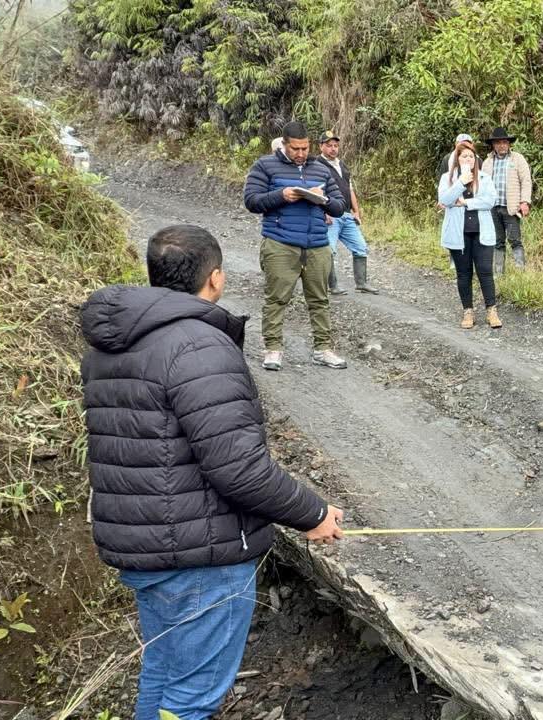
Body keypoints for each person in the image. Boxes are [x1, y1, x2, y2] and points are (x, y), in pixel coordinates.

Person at [80, 224, 346, 720]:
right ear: (216, 278)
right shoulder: (201, 345)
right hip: (199, 557)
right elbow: (240, 468)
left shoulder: (110, 345)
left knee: (162, 670)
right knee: (192, 697)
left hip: (143, 549)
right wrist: (313, 514)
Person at [244, 121, 349, 371]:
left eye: (304, 148)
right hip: (280, 243)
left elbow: (339, 205)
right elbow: (251, 201)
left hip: (317, 245)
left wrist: (321, 199)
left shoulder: (320, 169)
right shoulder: (265, 166)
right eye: (295, 149)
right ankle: (273, 349)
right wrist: (281, 195)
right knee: (276, 299)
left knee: (320, 299)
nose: (301, 154)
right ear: (284, 144)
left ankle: (322, 349)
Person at [438, 144, 503, 329]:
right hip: (459, 234)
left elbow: (490, 200)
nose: (468, 160)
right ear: (457, 159)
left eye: (471, 157)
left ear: (476, 160)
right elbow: (444, 200)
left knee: (485, 271)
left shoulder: (484, 177)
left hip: (482, 232)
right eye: (464, 156)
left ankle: (491, 310)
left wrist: (466, 202)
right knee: (464, 273)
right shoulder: (447, 178)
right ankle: (468, 311)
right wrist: (460, 183)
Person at [317, 129, 378, 296]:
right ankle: (332, 285)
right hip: (330, 214)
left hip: (346, 214)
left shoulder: (342, 165)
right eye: (329, 146)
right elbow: (316, 192)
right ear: (321, 146)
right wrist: (323, 212)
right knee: (329, 250)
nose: (333, 149)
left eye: (336, 145)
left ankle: (362, 283)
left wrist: (356, 211)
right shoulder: (317, 166)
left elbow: (349, 190)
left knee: (360, 247)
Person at [481, 126, 533, 274]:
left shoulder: (517, 159)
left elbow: (526, 181)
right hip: (492, 208)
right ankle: (498, 274)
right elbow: (482, 185)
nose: (502, 145)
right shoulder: (487, 162)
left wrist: (524, 202)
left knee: (515, 240)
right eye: (498, 143)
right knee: (497, 242)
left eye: (504, 142)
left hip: (511, 207)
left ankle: (520, 273)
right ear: (493, 145)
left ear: (509, 144)